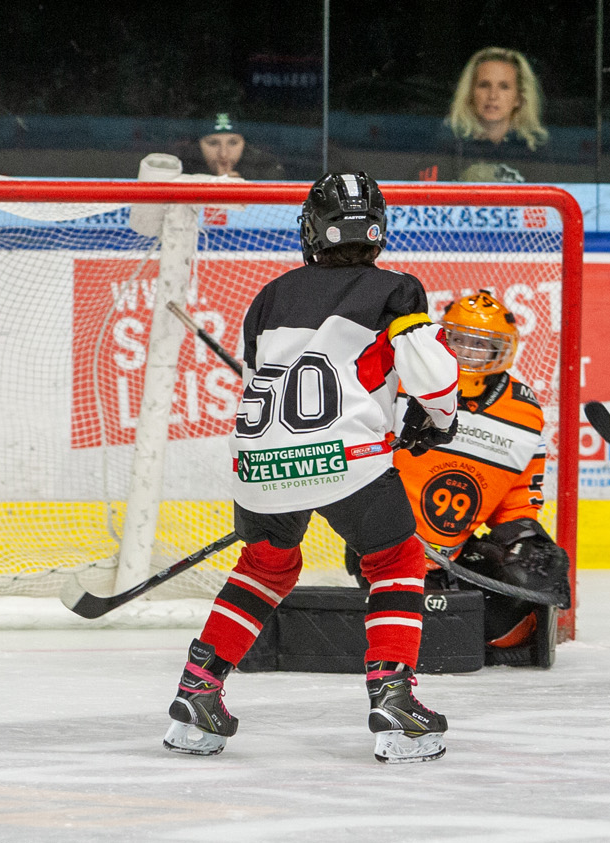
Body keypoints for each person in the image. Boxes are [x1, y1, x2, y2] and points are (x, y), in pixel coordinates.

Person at [163, 172, 461, 764]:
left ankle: (200, 688)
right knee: (395, 560)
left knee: (267, 565)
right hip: (345, 459)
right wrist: (440, 418)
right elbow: (431, 373)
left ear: (312, 230)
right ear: (376, 230)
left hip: (257, 462)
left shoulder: (269, 295)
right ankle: (394, 697)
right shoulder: (397, 290)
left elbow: (266, 380)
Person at [346, 290, 571, 665]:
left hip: (456, 554)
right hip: (386, 548)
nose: (467, 351)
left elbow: (518, 497)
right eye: (459, 339)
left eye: (480, 344)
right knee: (428, 638)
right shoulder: (400, 380)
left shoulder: (524, 412)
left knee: (509, 627)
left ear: (501, 350)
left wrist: (521, 539)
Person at [437, 47, 548, 182]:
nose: (493, 96)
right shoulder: (449, 146)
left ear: (519, 97)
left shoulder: (535, 151)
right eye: (484, 85)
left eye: (504, 86)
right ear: (470, 93)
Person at [181, 111, 286, 180]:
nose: (223, 154)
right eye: (213, 143)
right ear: (197, 145)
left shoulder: (266, 169)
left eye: (233, 143)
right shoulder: (179, 171)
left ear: (245, 144)